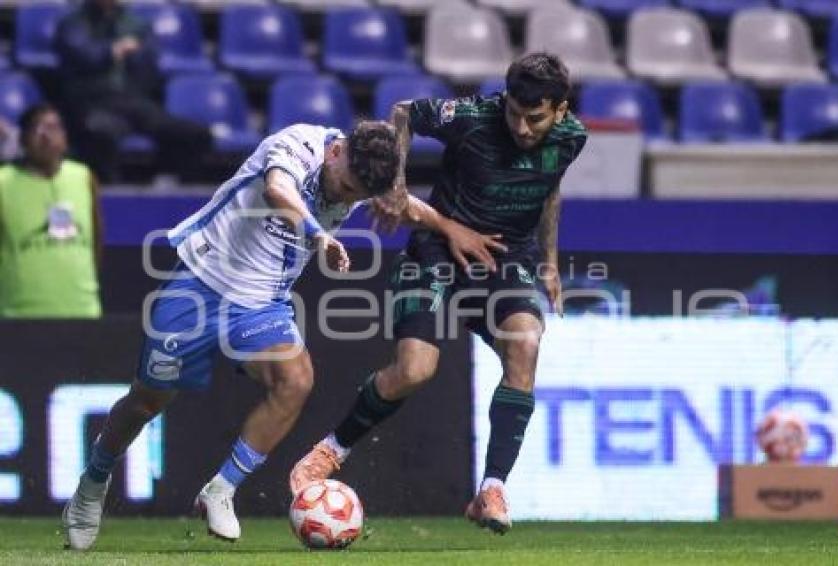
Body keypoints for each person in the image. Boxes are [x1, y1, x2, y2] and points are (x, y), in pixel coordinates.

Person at [61, 119, 505, 550]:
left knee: (296, 380)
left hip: (261, 302)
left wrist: (449, 227)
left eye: (358, 196)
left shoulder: (363, 176)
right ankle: (94, 480)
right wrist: (317, 236)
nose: (347, 197)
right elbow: (278, 189)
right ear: (336, 151)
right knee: (148, 400)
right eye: (347, 186)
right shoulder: (298, 144)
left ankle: (221, 490)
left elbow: (403, 205)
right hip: (202, 281)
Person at [289, 52, 588, 534]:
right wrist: (396, 186)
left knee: (526, 344)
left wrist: (549, 263)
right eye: (513, 112)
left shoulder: (573, 137)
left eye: (534, 118)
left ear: (560, 110)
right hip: (437, 250)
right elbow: (405, 112)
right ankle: (331, 451)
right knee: (414, 369)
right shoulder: (474, 118)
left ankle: (491, 488)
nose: (522, 127)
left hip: (505, 257)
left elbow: (550, 189)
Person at [54, 0, 213, 183]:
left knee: (194, 134)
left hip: (133, 102)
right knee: (99, 133)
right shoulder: (73, 23)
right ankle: (112, 196)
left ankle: (170, 190)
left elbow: (149, 60)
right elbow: (84, 56)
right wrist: (113, 50)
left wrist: (136, 55)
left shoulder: (135, 23)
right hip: (92, 102)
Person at [0, 103, 102, 318]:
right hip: (19, 315)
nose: (46, 136)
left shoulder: (83, 176)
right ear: (22, 140)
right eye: (37, 129)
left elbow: (96, 241)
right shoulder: (3, 183)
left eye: (54, 128)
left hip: (83, 312)